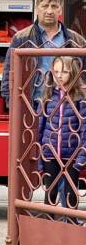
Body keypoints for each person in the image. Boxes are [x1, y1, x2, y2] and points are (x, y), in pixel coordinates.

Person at [2, 0, 86, 110]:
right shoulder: (21, 38)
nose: (49, 11)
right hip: (32, 106)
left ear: (60, 9)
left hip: (66, 107)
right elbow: (9, 73)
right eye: (45, 6)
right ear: (37, 8)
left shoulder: (77, 40)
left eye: (54, 6)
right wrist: (11, 104)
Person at [38, 55, 86, 211]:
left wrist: (81, 157)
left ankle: (71, 222)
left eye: (64, 72)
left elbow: (84, 129)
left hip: (71, 154)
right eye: (56, 71)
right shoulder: (47, 96)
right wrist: (40, 156)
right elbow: (39, 129)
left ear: (73, 73)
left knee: (70, 194)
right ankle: (48, 223)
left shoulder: (80, 98)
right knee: (50, 193)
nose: (59, 76)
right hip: (50, 153)